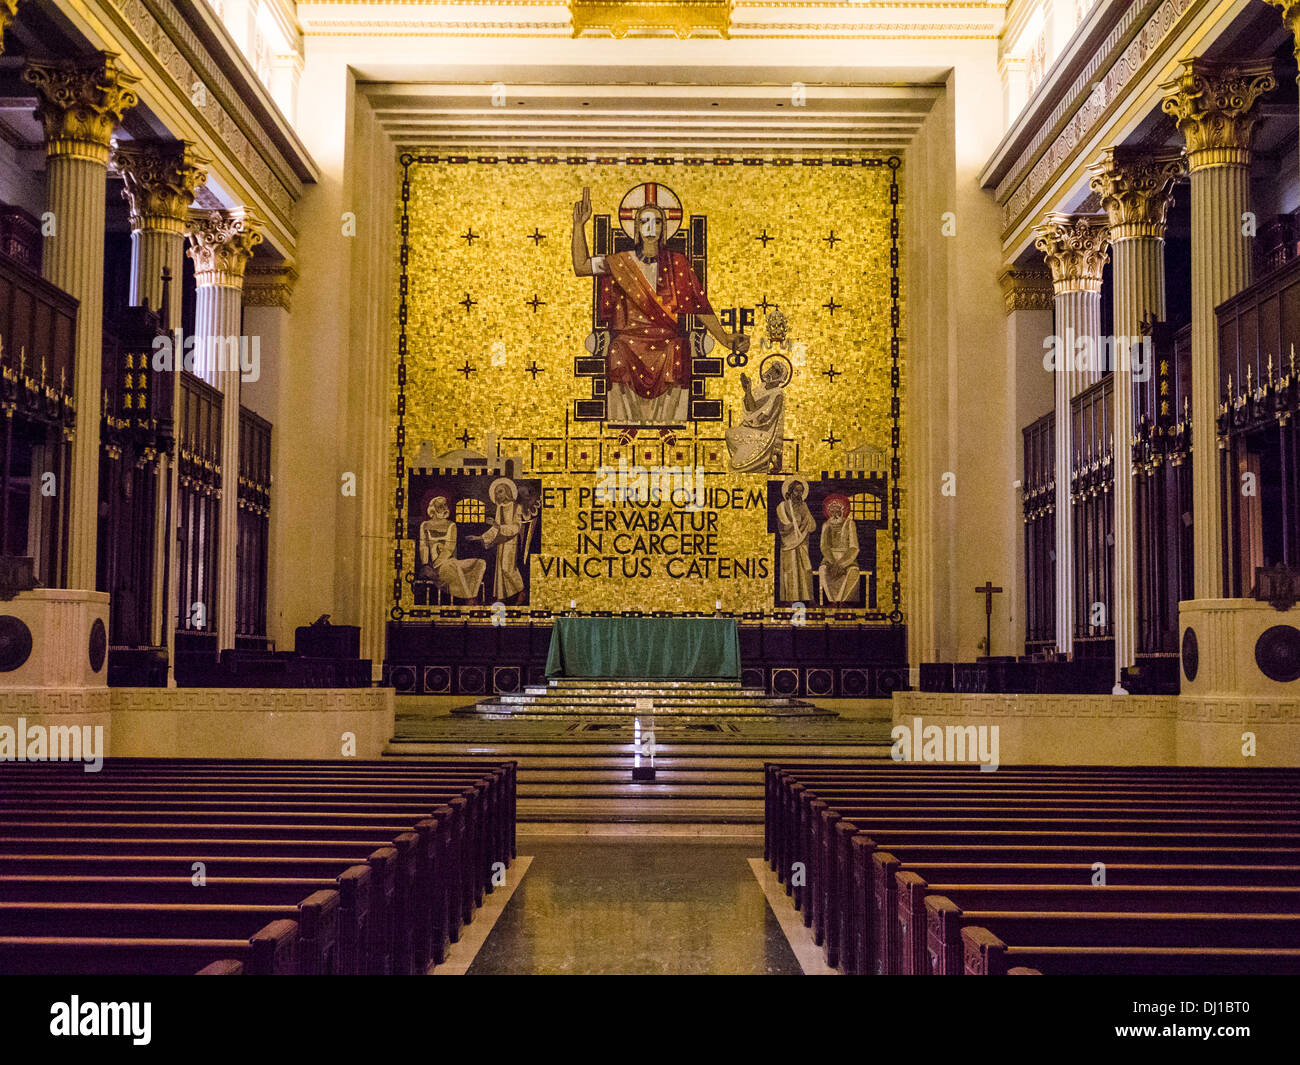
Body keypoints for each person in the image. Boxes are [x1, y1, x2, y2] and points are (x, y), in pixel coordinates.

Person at [572, 184, 750, 439]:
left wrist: (725, 338)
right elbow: (581, 266)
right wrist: (579, 225)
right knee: (618, 350)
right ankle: (628, 422)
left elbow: (699, 305)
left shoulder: (678, 263)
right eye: (644, 221)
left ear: (664, 229)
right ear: (636, 229)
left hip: (665, 337)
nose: (650, 227)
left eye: (657, 222)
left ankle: (667, 423)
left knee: (677, 348)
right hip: (630, 336)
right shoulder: (621, 262)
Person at [468, 479, 535, 604]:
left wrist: (499, 527)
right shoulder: (499, 508)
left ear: (507, 492)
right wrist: (480, 537)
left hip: (511, 541)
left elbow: (516, 527)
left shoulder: (517, 507)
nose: (498, 495)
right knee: (499, 569)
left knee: (507, 568)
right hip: (501, 542)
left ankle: (522, 591)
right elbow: (495, 527)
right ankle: (501, 597)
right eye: (496, 492)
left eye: (500, 491)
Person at [725, 356, 790, 472]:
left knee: (738, 464)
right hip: (751, 427)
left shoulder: (777, 395)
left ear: (780, 378)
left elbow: (765, 418)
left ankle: (761, 462)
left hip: (763, 433)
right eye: (771, 368)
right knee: (730, 433)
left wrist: (749, 393)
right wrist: (748, 391)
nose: (770, 371)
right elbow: (751, 409)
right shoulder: (760, 389)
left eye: (776, 372)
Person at [417, 495, 486, 602]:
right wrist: (426, 565)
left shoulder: (451, 525)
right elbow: (423, 546)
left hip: (449, 563)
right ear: (433, 509)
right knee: (453, 565)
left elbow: (449, 549)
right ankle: (470, 600)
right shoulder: (425, 525)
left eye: (445, 505)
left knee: (480, 563)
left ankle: (472, 594)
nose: (445, 508)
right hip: (435, 567)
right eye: (440, 506)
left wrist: (438, 564)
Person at [777, 477, 815, 603]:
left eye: (801, 491)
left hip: (802, 544)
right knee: (790, 570)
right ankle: (789, 599)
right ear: (790, 491)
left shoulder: (804, 506)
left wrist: (804, 521)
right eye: (796, 491)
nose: (799, 494)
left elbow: (812, 525)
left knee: (805, 569)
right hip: (788, 544)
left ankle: (806, 598)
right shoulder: (782, 507)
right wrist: (798, 522)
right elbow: (784, 525)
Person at [818, 493, 861, 604]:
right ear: (829, 512)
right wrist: (833, 563)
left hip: (848, 560)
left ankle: (843, 602)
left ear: (843, 511)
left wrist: (841, 564)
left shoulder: (850, 524)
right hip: (830, 560)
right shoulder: (826, 525)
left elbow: (854, 547)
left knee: (853, 572)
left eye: (838, 512)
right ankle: (832, 602)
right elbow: (824, 546)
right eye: (832, 512)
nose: (835, 515)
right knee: (823, 570)